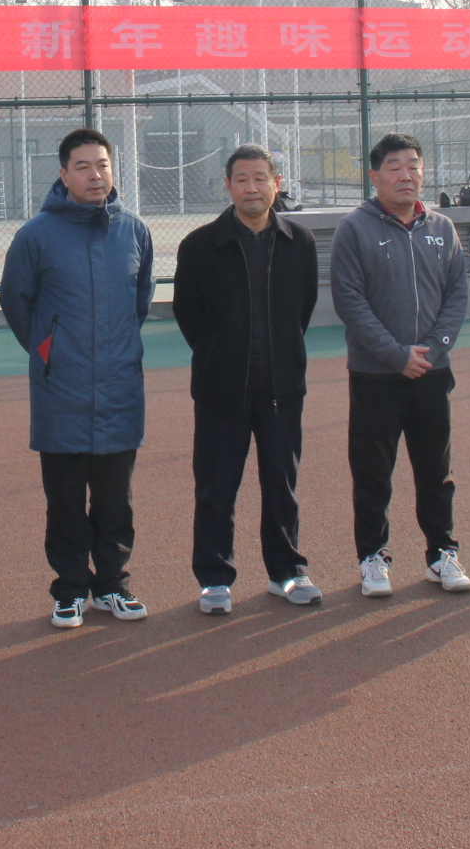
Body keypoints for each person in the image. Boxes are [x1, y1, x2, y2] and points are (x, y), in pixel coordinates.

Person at [1, 128, 156, 629]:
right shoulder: (36, 235)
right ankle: (69, 589)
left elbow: (140, 302)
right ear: (63, 174)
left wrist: (116, 351)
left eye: (103, 165)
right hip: (60, 390)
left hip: (119, 387)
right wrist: (49, 351)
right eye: (84, 166)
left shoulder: (134, 231)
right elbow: (17, 304)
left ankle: (112, 584)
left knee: (115, 500)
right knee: (64, 500)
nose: (95, 175)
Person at [173, 144, 322, 614]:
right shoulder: (199, 246)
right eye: (242, 179)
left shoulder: (300, 242)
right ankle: (215, 579)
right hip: (221, 391)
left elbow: (302, 310)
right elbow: (188, 314)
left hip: (283, 390)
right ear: (228, 186)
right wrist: (216, 356)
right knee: (216, 488)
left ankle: (287, 572)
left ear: (277, 184)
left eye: (261, 178)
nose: (251, 187)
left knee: (282, 485)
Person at [329, 133, 470, 598]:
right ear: (375, 176)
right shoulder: (355, 229)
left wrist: (433, 349)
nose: (406, 175)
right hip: (375, 377)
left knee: (436, 472)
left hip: (432, 372)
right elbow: (350, 300)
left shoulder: (442, 228)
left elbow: (457, 294)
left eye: (414, 166)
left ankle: (442, 553)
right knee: (373, 473)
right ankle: (373, 558)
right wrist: (395, 354)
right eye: (395, 167)